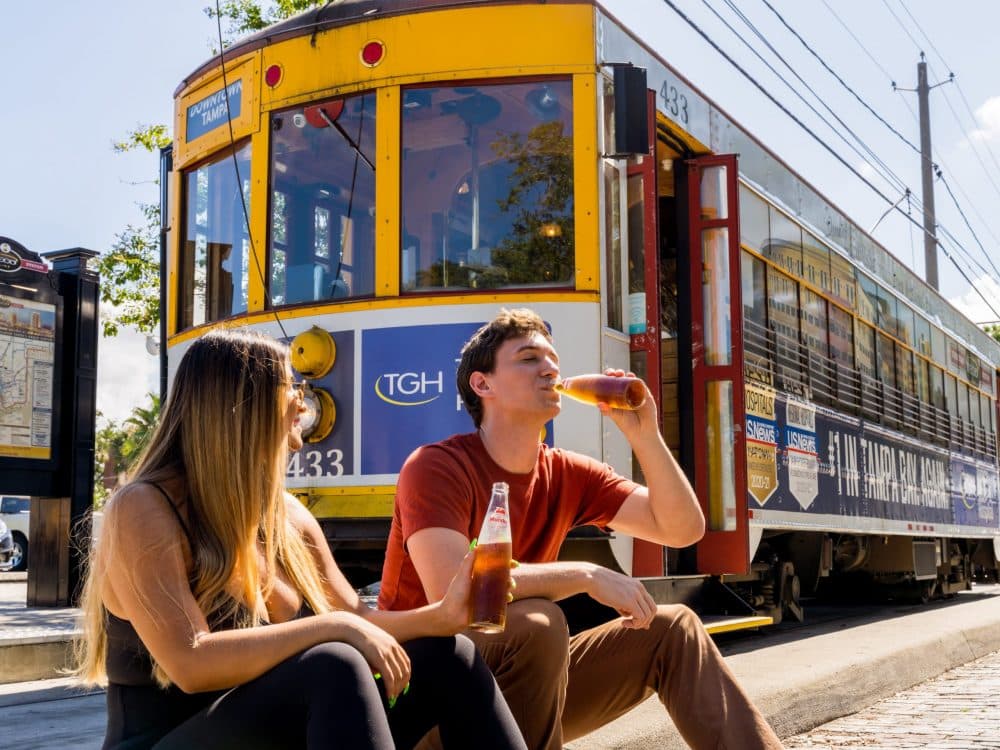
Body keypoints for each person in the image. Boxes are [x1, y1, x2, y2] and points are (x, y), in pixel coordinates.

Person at [76, 329, 527, 750]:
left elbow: (354, 615)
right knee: (334, 664)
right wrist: (333, 628)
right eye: (288, 385)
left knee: (451, 655)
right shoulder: (144, 508)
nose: (300, 399)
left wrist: (445, 613)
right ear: (241, 403)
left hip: (277, 732)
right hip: (167, 738)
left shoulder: (288, 515)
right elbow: (190, 663)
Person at [378, 308, 783, 750]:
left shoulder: (568, 472)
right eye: (529, 358)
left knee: (673, 630)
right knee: (539, 623)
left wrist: (644, 435)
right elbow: (455, 589)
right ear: (483, 384)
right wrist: (585, 575)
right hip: (426, 697)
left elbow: (683, 529)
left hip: (515, 685)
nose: (550, 368)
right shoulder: (436, 466)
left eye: (553, 358)